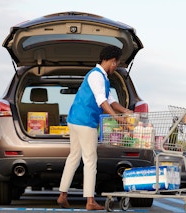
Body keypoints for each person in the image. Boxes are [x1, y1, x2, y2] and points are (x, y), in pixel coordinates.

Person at [57, 45, 133, 210]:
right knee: (90, 160)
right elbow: (102, 101)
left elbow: (111, 100)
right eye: (116, 63)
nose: (116, 67)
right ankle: (90, 201)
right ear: (111, 61)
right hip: (85, 122)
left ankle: (62, 195)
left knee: (74, 157)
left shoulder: (102, 77)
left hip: (75, 119)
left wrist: (125, 111)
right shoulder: (96, 76)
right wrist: (118, 119)